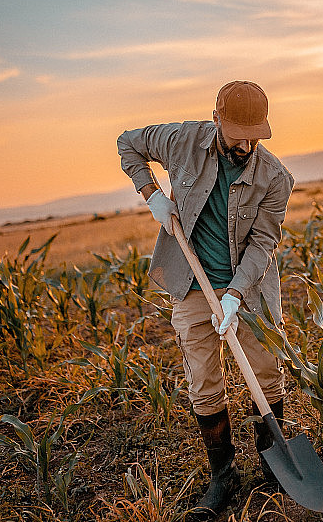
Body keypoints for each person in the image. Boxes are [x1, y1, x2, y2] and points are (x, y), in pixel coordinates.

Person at [117, 81, 292, 521]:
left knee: (267, 375)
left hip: (247, 288)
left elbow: (264, 243)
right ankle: (223, 475)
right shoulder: (182, 140)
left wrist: (234, 295)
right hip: (192, 282)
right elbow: (127, 144)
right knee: (204, 382)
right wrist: (152, 194)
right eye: (238, 132)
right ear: (216, 120)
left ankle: (275, 468)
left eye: (256, 133)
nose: (247, 142)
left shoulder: (275, 178)